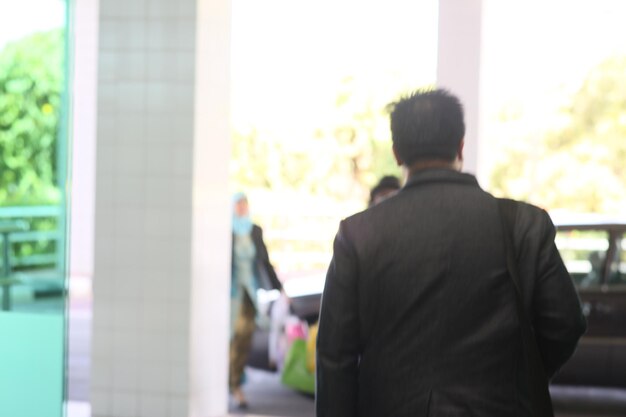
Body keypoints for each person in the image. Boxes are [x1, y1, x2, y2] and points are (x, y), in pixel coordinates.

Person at [316, 89, 586, 417]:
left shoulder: (358, 235)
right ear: (460, 145)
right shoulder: (524, 225)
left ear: (397, 153)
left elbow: (335, 357)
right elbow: (565, 323)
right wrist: (519, 377)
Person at [230, 192, 282, 409]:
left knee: (245, 339)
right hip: (231, 294)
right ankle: (233, 384)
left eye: (244, 204)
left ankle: (235, 380)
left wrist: (279, 288)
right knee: (233, 337)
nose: (241, 208)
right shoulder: (226, 230)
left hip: (250, 294)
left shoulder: (254, 230)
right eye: (238, 204)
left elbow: (264, 261)